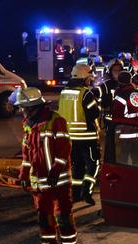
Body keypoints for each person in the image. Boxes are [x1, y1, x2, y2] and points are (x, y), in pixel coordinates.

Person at [12, 87, 77, 244]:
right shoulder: (29, 124)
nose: (21, 111)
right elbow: (27, 153)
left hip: (59, 181)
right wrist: (23, 174)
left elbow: (64, 148)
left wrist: (56, 169)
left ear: (34, 107)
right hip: (40, 183)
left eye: (23, 108)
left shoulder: (56, 121)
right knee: (44, 218)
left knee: (63, 218)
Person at [57, 64, 101, 205]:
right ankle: (87, 191)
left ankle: (75, 194)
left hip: (70, 137)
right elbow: (94, 113)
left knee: (77, 165)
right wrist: (97, 102)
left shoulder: (64, 92)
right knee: (94, 164)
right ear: (84, 77)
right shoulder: (86, 93)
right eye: (89, 77)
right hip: (86, 137)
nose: (90, 80)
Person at [95, 59, 124, 125]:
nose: (117, 72)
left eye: (119, 70)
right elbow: (96, 97)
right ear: (110, 71)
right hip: (109, 120)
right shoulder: (105, 85)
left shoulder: (126, 84)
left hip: (123, 119)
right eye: (115, 70)